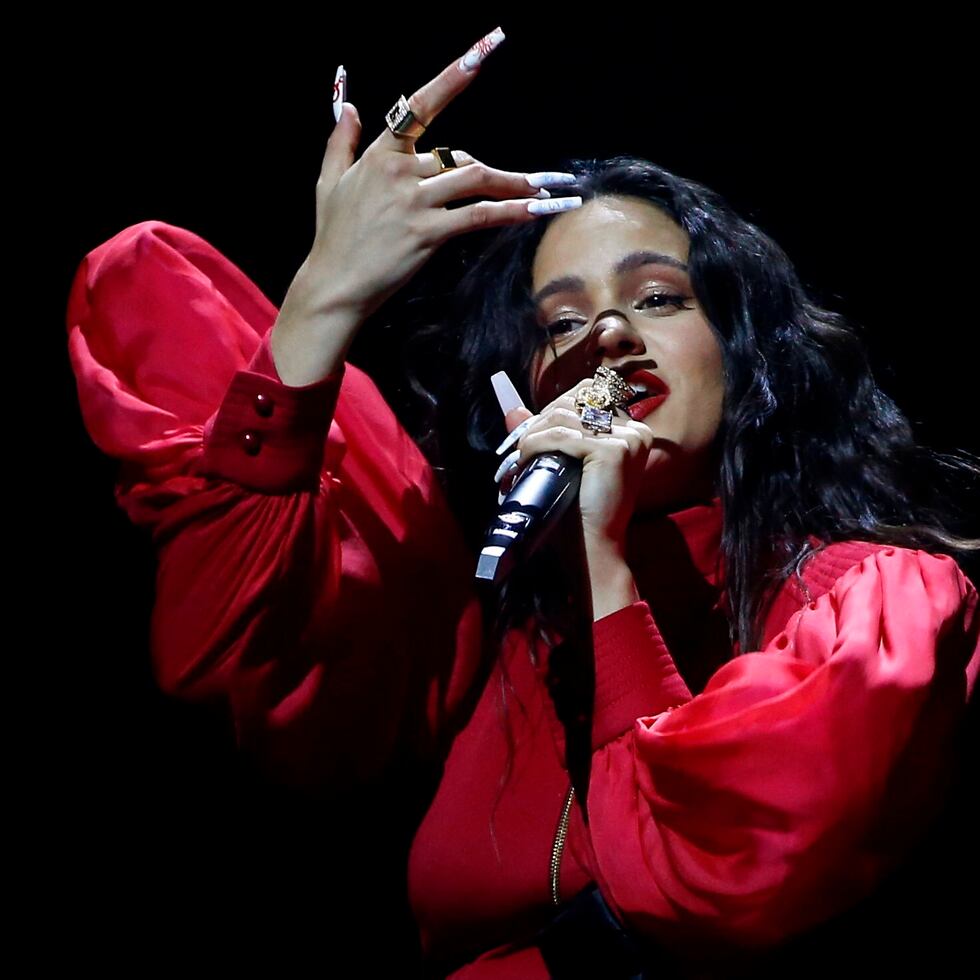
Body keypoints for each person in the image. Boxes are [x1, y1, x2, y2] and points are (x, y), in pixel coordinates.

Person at [65, 27, 979, 979]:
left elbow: (698, 876)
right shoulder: (489, 632)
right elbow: (225, 647)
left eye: (659, 298)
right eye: (564, 322)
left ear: (745, 356)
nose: (610, 334)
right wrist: (324, 297)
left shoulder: (865, 605)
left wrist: (607, 559)